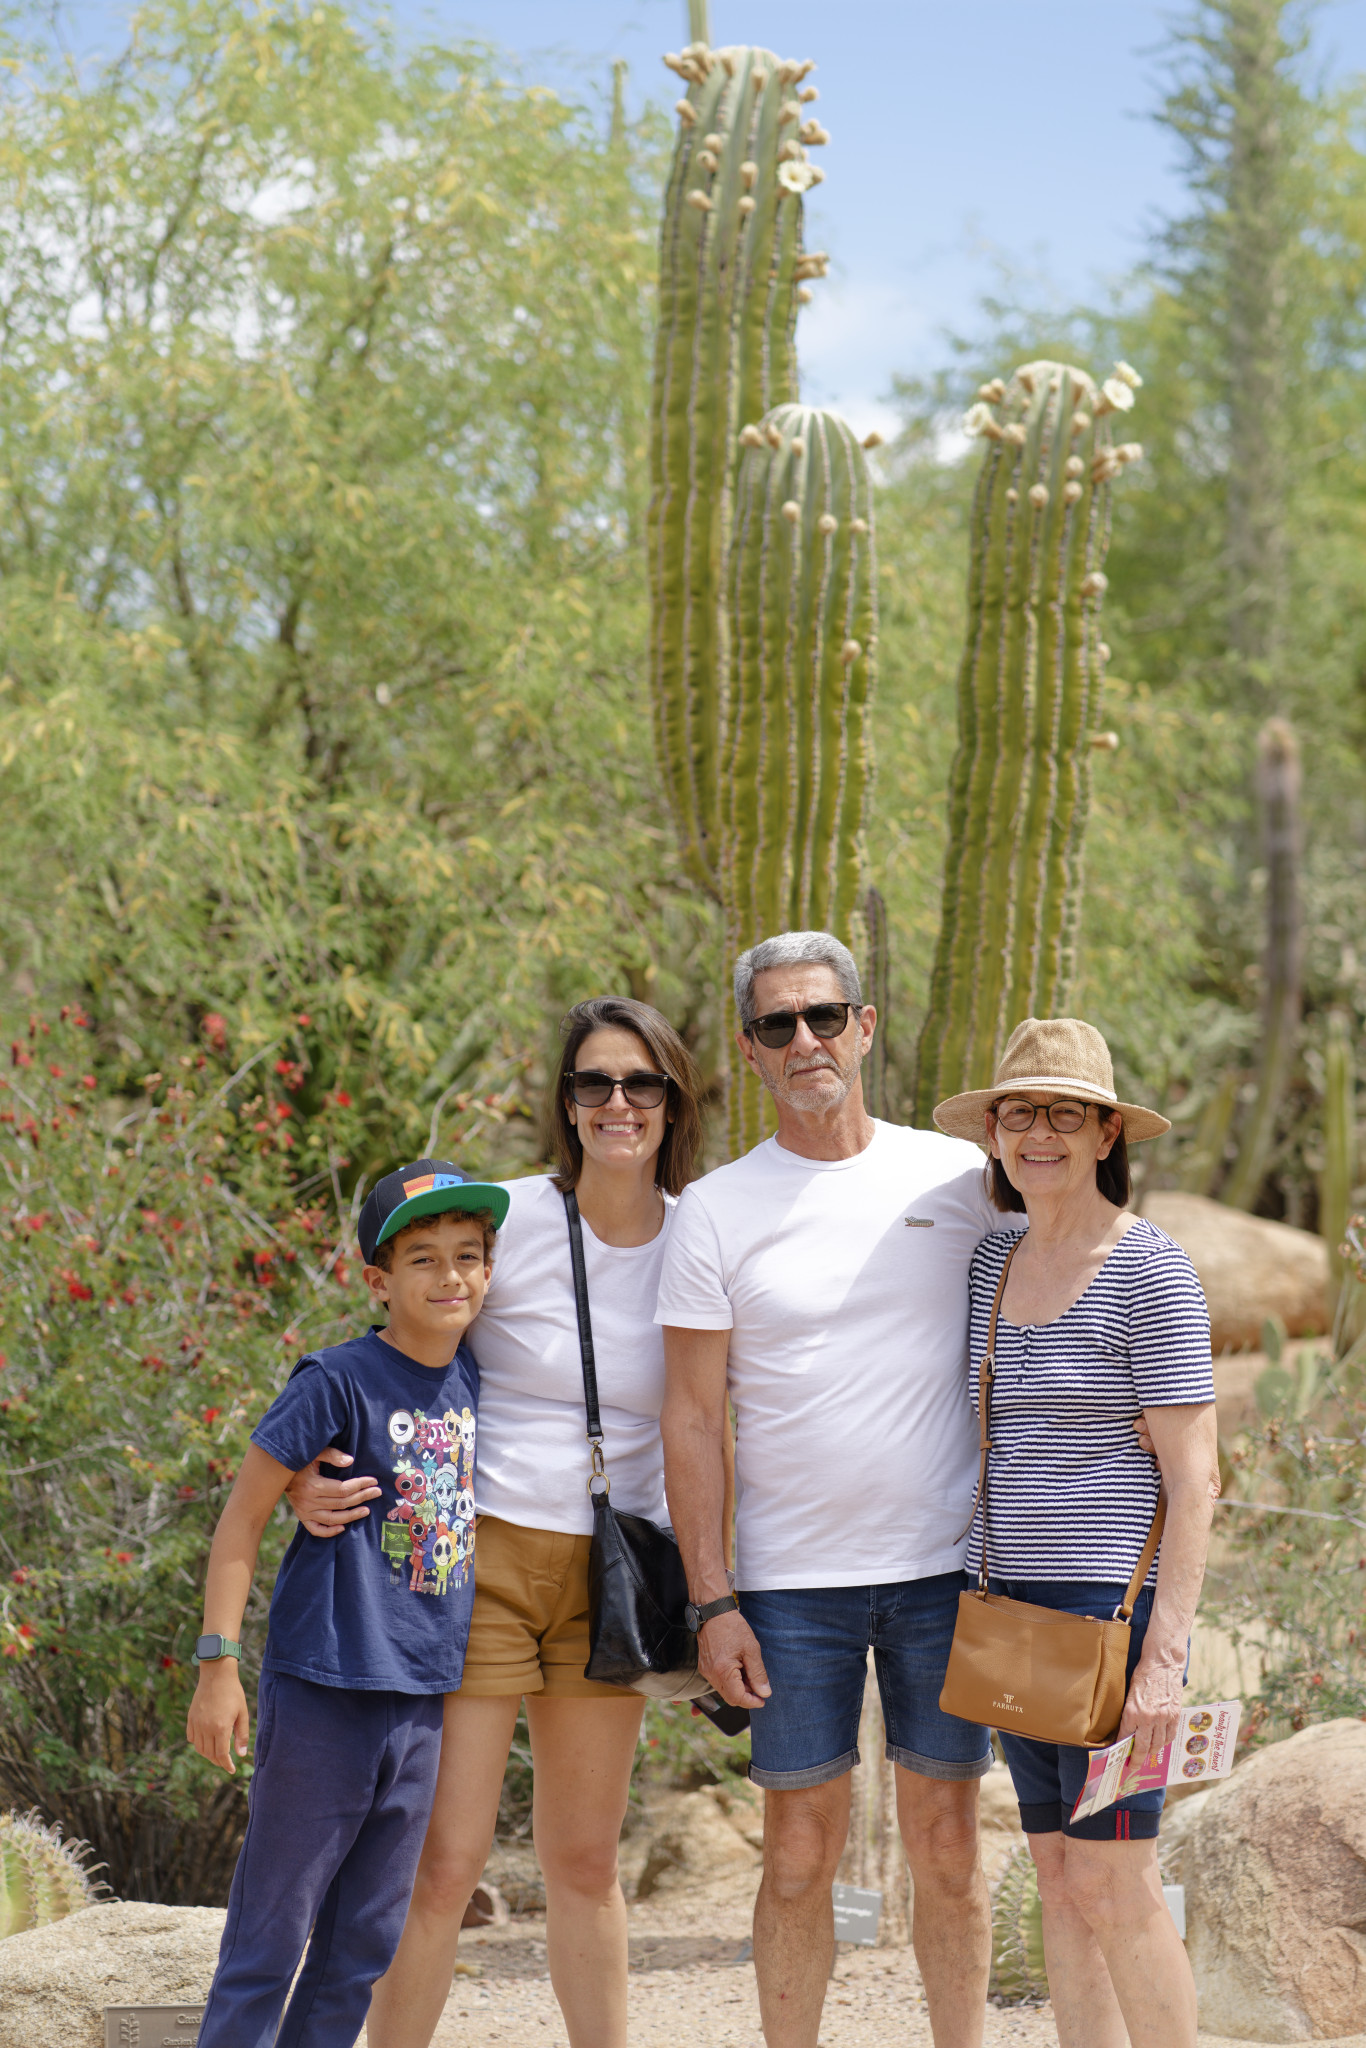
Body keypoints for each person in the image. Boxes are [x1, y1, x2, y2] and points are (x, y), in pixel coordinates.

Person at [286, 996, 704, 2048]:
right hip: (479, 1562)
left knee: (585, 1862)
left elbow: (722, 1412)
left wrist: (720, 1583)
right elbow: (400, 1341)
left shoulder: (703, 1233)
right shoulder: (508, 1219)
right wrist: (306, 1473)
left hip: (614, 1576)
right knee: (443, 1862)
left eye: (640, 1082)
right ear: (566, 1101)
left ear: (672, 1099)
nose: (617, 1102)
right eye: (594, 1082)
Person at [659, 928, 1023, 2048]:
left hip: (944, 1574)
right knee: (797, 1856)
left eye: (824, 1016)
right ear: (750, 1049)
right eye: (778, 1024)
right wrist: (712, 1599)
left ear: (863, 1027)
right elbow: (691, 1418)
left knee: (949, 1849)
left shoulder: (956, 1179)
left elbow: (1062, 1291)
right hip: (788, 1589)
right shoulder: (713, 1209)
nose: (804, 1040)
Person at [933, 1015, 1219, 2048]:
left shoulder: (1151, 1272)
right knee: (1057, 1871)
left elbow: (1196, 1480)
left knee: (1116, 1880)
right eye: (1020, 1114)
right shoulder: (990, 1262)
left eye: (1066, 1114)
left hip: (1111, 1622)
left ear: (1107, 1134)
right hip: (1011, 1616)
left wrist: (1163, 1660)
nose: (1039, 1135)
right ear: (994, 1134)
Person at [187, 1160, 506, 2048]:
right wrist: (217, 1668)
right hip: (325, 1688)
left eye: (468, 1256)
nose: (449, 1276)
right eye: (423, 1260)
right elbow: (240, 1520)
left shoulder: (475, 1377)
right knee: (271, 1935)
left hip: (422, 1699)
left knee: (360, 1945)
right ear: (378, 1280)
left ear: (489, 1271)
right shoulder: (335, 1379)